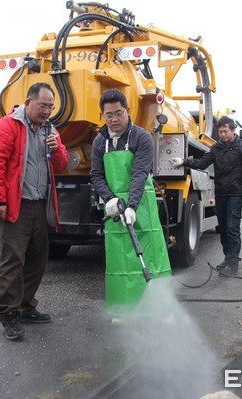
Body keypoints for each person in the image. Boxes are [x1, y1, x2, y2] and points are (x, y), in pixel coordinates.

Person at [0, 82, 68, 340]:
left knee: (38, 259)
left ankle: (25, 305)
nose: (47, 112)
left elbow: (62, 165)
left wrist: (56, 150)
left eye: (51, 107)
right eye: (43, 106)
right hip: (14, 205)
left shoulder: (50, 130)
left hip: (38, 205)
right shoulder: (8, 125)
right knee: (12, 260)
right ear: (28, 103)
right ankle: (8, 313)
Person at [90, 89, 172, 315]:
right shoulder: (99, 141)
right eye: (108, 115)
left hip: (141, 207)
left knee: (149, 256)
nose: (114, 120)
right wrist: (111, 199)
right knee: (120, 261)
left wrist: (132, 206)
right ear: (102, 115)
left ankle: (157, 309)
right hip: (114, 208)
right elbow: (96, 175)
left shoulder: (141, 137)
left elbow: (139, 172)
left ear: (127, 111)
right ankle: (123, 311)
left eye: (118, 113)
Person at [170, 116, 242, 276]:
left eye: (225, 131)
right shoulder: (217, 148)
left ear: (233, 130)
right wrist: (183, 162)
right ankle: (227, 258)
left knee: (232, 228)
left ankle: (233, 261)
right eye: (221, 132)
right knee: (223, 228)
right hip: (221, 194)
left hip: (235, 194)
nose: (222, 134)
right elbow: (202, 163)